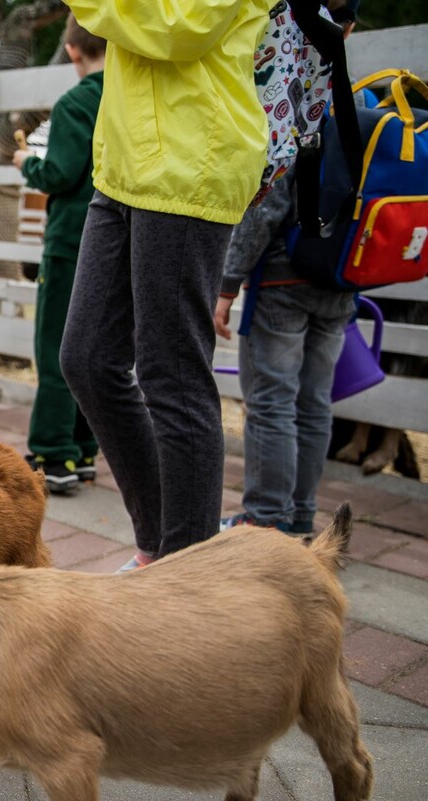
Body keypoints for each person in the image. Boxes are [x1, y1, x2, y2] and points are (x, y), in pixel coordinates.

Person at [58, 0, 273, 571]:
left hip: (190, 164)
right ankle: (163, 549)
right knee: (86, 358)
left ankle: (189, 580)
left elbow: (181, 27)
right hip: (128, 167)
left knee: (172, 376)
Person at [214, 0, 363, 536]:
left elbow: (270, 201)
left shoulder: (298, 85)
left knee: (272, 403)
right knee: (313, 402)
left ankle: (266, 522)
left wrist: (227, 284)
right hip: (341, 277)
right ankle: (300, 517)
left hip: (283, 276)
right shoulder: (356, 98)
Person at [11, 14, 103, 495]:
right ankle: (85, 449)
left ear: (71, 49)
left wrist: (29, 163)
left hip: (71, 240)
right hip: (115, 239)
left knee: (56, 346)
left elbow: (63, 172)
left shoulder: (76, 101)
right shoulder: (130, 98)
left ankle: (52, 453)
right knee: (95, 348)